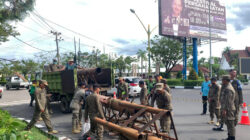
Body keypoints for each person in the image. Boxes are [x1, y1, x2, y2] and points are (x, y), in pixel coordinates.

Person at [220, 75, 236, 140]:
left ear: (226, 80)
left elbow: (228, 101)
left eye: (223, 80)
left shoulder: (228, 89)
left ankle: (232, 137)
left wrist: (224, 110)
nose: (222, 81)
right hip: (228, 108)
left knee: (230, 124)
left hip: (229, 109)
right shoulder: (226, 87)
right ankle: (229, 136)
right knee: (228, 123)